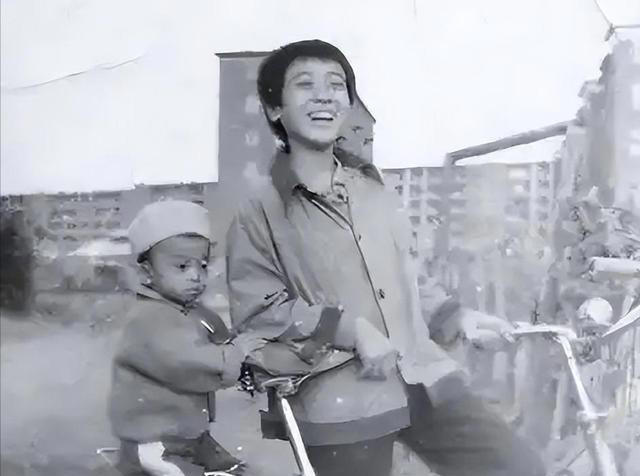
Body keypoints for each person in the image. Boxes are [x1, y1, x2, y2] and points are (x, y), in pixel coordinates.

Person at [226, 40, 546, 476]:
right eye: (305, 85)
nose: (324, 96)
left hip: (423, 375)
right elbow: (259, 310)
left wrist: (457, 317)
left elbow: (408, 276)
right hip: (339, 397)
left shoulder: (374, 190)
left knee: (518, 466)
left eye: (336, 85)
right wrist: (350, 329)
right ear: (274, 109)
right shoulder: (259, 209)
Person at [109, 200, 262, 476]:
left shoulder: (191, 312)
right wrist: (236, 354)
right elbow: (188, 362)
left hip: (188, 436)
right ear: (146, 272)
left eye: (202, 266)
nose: (196, 276)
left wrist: (247, 357)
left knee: (238, 472)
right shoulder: (149, 318)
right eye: (182, 267)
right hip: (154, 440)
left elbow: (222, 338)